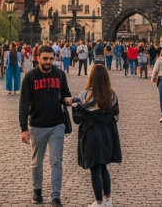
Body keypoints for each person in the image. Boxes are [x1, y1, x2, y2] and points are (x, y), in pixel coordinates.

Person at [19, 46, 72, 207]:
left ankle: (56, 196)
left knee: (56, 160)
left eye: (51, 58)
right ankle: (37, 190)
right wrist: (23, 129)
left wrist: (67, 99)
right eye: (45, 59)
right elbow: (23, 104)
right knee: (37, 161)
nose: (49, 62)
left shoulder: (60, 74)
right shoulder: (30, 77)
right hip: (37, 125)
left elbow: (65, 94)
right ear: (38, 58)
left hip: (57, 124)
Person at [73, 65, 121, 207]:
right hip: (107, 134)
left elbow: (77, 119)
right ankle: (108, 199)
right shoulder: (111, 95)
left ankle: (98, 201)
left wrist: (73, 105)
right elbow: (115, 113)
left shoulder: (85, 96)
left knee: (95, 167)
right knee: (103, 167)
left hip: (91, 134)